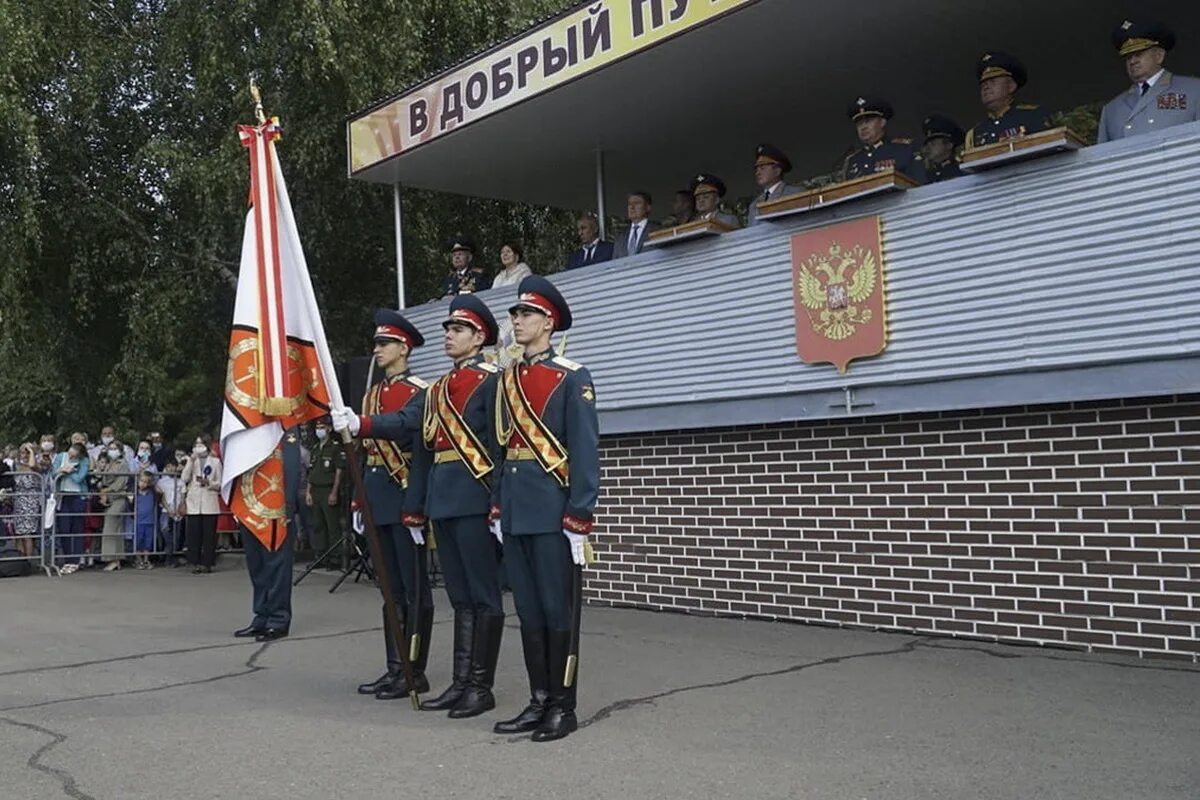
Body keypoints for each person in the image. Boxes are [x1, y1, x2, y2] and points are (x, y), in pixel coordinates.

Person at [334, 294, 506, 720]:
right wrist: (420, 503)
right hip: (442, 500)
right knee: (461, 597)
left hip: (475, 496)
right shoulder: (441, 388)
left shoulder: (492, 380)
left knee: (482, 596)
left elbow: (500, 446)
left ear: (479, 337)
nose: (449, 336)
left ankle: (479, 686)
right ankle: (460, 681)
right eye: (448, 329)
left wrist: (500, 502)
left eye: (458, 330)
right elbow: (428, 449)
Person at [490, 275, 600, 742]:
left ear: (548, 322)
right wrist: (497, 504)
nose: (517, 321)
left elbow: (585, 450)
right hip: (516, 511)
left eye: (526, 314)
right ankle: (538, 701)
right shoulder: (508, 378)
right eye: (515, 314)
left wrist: (580, 514)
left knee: (558, 612)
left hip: (554, 511)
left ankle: (563, 705)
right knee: (529, 613)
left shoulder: (573, 376)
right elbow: (502, 449)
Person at [353, 309, 434, 700]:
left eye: (384, 343)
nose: (377, 349)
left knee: (413, 588)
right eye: (376, 343)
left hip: (403, 495)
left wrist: (361, 424)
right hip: (376, 496)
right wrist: (358, 500)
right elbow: (366, 452)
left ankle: (413, 669)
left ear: (404, 348)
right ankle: (394, 667)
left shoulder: (420, 391)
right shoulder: (371, 394)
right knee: (389, 589)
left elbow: (405, 428)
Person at [234, 434, 300, 642]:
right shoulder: (247, 426)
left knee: (277, 564)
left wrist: (287, 506)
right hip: (251, 503)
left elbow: (290, 465)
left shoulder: (283, 422)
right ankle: (262, 615)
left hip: (275, 504)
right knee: (257, 565)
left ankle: (278, 618)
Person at [1097, 20, 1200, 143]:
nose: (1132, 61)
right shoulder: (1111, 110)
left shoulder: (1194, 90)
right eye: (1128, 57)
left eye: (1139, 54)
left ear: (1159, 56)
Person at [966, 52, 1049, 149]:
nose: (986, 87)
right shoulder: (975, 133)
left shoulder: (1033, 115)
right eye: (983, 84)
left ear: (1011, 86)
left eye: (993, 81)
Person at [842, 97, 926, 183]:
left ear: (882, 122)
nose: (863, 127)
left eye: (868, 121)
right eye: (859, 123)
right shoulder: (852, 160)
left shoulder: (903, 150)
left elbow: (918, 186)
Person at [306, 416, 345, 566]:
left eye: (322, 428)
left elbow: (339, 472)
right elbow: (311, 471)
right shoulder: (316, 449)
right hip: (315, 490)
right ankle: (321, 555)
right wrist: (309, 492)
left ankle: (335, 557)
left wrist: (334, 492)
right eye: (318, 427)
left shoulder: (335, 447)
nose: (319, 430)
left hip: (328, 490)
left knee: (332, 525)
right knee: (317, 524)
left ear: (329, 429)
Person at [181, 433, 222, 573]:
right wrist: (191, 461)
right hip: (194, 501)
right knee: (194, 533)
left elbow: (220, 483)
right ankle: (194, 561)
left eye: (201, 444)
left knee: (208, 535)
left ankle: (207, 563)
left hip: (209, 501)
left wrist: (209, 483)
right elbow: (185, 478)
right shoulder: (192, 461)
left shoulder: (215, 462)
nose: (198, 447)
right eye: (196, 444)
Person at [51, 440, 89, 570]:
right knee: (64, 528)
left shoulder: (84, 461)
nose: (71, 457)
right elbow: (53, 473)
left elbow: (80, 478)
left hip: (78, 496)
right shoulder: (61, 456)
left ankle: (75, 560)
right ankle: (67, 559)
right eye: (70, 454)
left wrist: (71, 471)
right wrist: (61, 470)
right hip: (63, 495)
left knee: (77, 528)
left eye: (74, 456)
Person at [97, 442, 131, 571]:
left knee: (111, 527)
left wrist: (107, 491)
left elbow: (120, 482)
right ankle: (115, 559)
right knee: (113, 528)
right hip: (108, 497)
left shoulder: (123, 464)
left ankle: (113, 559)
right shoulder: (109, 464)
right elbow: (103, 479)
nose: (112, 451)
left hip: (119, 497)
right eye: (110, 448)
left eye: (115, 448)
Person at [748, 144, 802, 225]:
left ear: (777, 170)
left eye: (762, 168)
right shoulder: (754, 205)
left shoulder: (795, 194)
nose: (757, 173)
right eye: (757, 169)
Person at [7, 444, 41, 561]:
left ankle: (28, 561)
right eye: (22, 452)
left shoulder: (36, 465)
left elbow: (32, 465)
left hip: (31, 501)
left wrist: (32, 451)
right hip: (18, 501)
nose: (24, 455)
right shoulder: (15, 466)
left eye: (27, 452)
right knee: (18, 534)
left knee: (27, 534)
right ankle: (19, 560)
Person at [612, 192, 659, 258]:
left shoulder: (657, 230)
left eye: (637, 203)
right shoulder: (621, 236)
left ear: (648, 207)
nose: (632, 207)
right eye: (629, 204)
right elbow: (615, 262)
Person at [922, 114, 965, 183]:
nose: (928, 147)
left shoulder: (963, 170)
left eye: (933, 143)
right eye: (926, 144)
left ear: (949, 145)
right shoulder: (927, 175)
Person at [132, 471, 160, 569]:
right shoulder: (135, 493)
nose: (143, 483)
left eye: (146, 482)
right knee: (138, 541)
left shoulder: (152, 493)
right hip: (138, 521)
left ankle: (146, 560)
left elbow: (160, 494)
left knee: (148, 542)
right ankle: (138, 559)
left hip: (150, 521)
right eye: (141, 481)